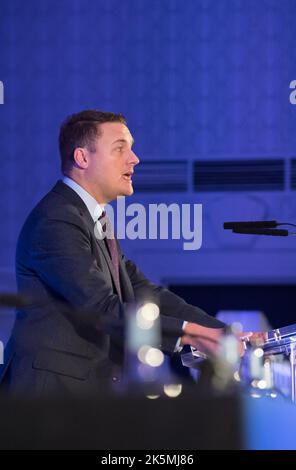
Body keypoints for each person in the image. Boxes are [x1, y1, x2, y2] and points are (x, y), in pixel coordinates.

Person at [6, 110, 253, 397]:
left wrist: (223, 333)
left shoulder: (91, 217)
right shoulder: (57, 219)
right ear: (82, 158)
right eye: (120, 149)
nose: (134, 159)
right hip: (52, 399)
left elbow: (144, 291)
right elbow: (101, 307)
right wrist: (191, 334)